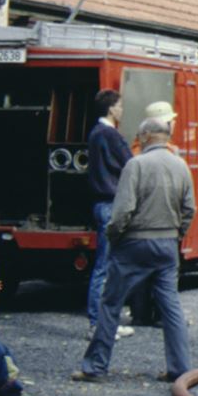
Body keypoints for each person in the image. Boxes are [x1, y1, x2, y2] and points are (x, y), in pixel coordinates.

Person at [74, 102, 194, 384]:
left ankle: (95, 367)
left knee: (111, 303)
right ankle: (180, 369)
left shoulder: (135, 165)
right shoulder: (180, 165)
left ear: (146, 136)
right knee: (171, 307)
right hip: (167, 244)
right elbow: (190, 208)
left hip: (134, 243)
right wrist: (177, 233)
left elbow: (123, 210)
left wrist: (114, 236)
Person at [83, 89, 133, 335]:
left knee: (105, 265)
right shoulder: (111, 135)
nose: (122, 110)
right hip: (112, 204)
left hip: (100, 203)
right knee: (106, 266)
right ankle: (99, 324)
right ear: (112, 109)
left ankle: (102, 322)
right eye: (120, 106)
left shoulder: (95, 133)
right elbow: (130, 165)